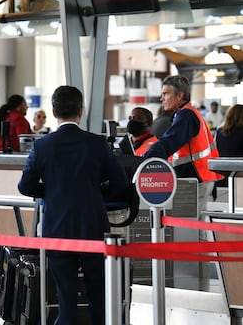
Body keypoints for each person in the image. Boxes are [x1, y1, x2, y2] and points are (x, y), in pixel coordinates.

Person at [18, 85, 128, 325]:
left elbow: (24, 186)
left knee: (65, 295)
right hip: (93, 226)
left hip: (57, 228)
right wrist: (96, 195)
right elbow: (120, 182)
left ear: (54, 112)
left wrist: (52, 193)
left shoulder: (42, 146)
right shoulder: (97, 144)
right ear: (81, 110)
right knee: (98, 293)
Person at [142, 75, 222, 213]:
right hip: (200, 177)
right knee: (197, 229)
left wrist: (144, 159)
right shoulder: (187, 113)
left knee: (186, 231)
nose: (162, 99)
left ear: (179, 95)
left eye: (166, 94)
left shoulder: (186, 115)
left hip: (195, 179)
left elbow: (169, 142)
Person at [213, 104, 243, 201]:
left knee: (223, 205)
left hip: (221, 174)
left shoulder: (219, 132)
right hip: (239, 175)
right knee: (239, 206)